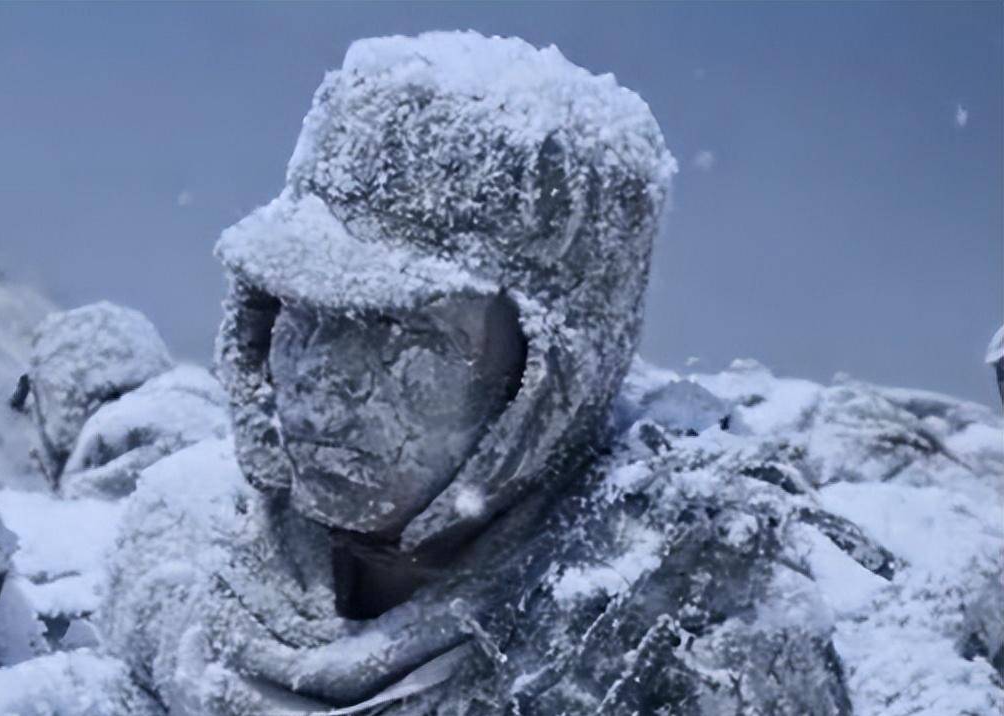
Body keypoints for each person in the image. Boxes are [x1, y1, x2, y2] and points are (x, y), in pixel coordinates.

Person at [106, 32, 918, 715]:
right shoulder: (182, 558)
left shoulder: (684, 645)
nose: (320, 375)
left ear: (546, 382)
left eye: (396, 328)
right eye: (297, 309)